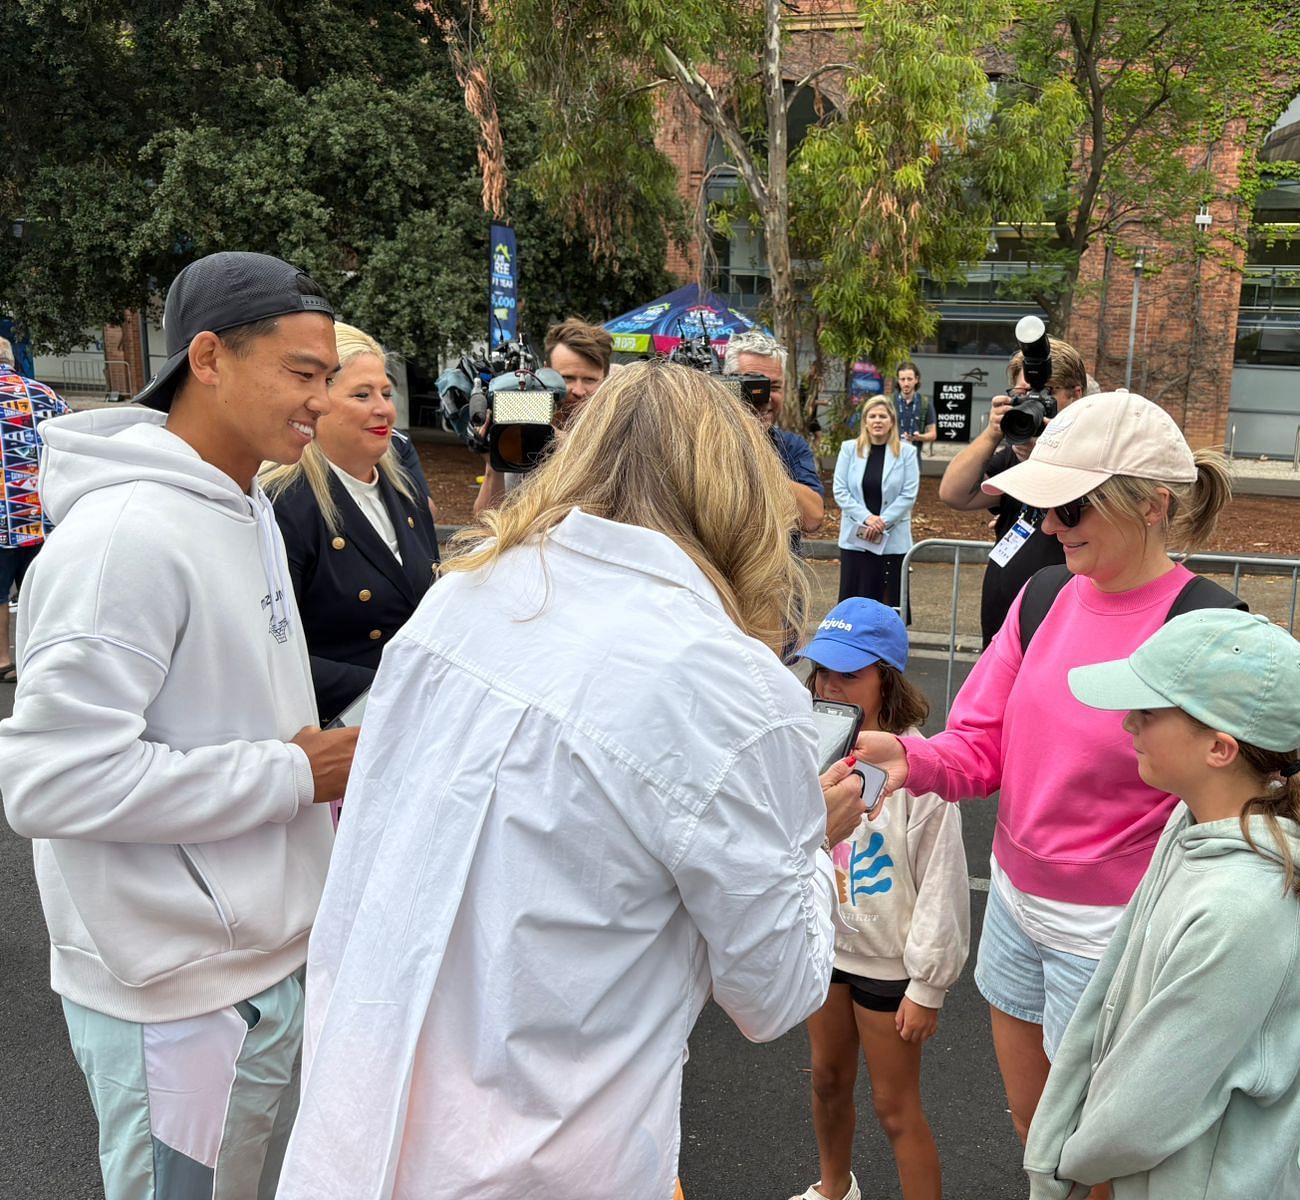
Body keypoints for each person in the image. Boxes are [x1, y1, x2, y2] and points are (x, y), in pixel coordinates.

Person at [276, 361, 873, 1200]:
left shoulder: (462, 595)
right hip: (548, 1156)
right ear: (740, 495)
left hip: (359, 1120)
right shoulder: (726, 685)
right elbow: (773, 990)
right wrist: (808, 841)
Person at [0, 251, 357, 1199]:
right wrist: (294, 773)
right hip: (174, 995)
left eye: (326, 377)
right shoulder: (125, 538)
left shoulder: (243, 504)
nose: (319, 401)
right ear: (208, 357)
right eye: (302, 373)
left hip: (251, 968)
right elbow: (50, 782)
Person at [854, 389, 1233, 1145]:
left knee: (1093, 1145)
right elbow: (979, 747)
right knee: (1034, 1129)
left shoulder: (1208, 627)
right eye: (1043, 508)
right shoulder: (1044, 594)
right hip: (1015, 903)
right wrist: (910, 758)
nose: (1050, 526)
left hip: (1116, 927)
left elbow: (1231, 808)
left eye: (1072, 509)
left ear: (1153, 506)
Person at [1023, 609, 1300, 1199]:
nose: (1128, 722)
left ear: (1219, 747)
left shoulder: (1243, 909)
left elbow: (1147, 1103)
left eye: (1150, 711)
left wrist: (1066, 1160)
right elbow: (1113, 985)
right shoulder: (1192, 823)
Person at [790, 598, 970, 1200]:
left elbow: (944, 885)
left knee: (895, 1107)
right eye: (822, 671)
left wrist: (928, 986)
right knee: (825, 1080)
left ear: (886, 679)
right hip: (828, 947)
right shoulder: (811, 750)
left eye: (849, 674)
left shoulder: (921, 770)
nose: (828, 685)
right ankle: (834, 1188)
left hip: (890, 967)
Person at [261, 322, 440, 725]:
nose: (383, 409)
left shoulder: (405, 488)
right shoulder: (284, 503)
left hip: (413, 715)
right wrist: (389, 689)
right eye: (362, 395)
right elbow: (272, 651)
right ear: (318, 401)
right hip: (333, 731)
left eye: (386, 394)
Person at [937, 337, 1091, 647]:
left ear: (1076, 395)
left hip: (1059, 625)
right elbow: (954, 493)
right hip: (1002, 624)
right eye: (1022, 395)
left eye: (1045, 395)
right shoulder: (1012, 458)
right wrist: (993, 431)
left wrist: (1045, 455)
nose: (1032, 403)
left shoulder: (1092, 461)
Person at [472, 316, 610, 517]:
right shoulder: (526, 428)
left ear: (606, 379)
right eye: (567, 378)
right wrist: (494, 463)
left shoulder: (616, 434)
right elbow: (483, 523)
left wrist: (562, 442)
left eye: (589, 380)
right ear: (545, 372)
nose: (579, 390)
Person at [0, 335, 70, 682]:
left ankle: (1, 659)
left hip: (1, 517)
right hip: (42, 512)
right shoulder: (44, 393)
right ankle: (39, 658)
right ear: (11, 360)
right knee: (41, 589)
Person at [724, 329, 826, 538]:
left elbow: (812, 518)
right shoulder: (699, 443)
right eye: (754, 386)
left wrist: (756, 451)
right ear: (727, 386)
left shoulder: (791, 446)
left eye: (775, 387)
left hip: (779, 570)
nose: (766, 398)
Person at [833, 395, 921, 608]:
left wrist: (882, 522)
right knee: (854, 605)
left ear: (892, 420)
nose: (877, 420)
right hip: (856, 540)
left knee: (888, 604)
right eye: (872, 416)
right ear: (865, 421)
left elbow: (909, 494)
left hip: (891, 541)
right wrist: (867, 519)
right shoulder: (848, 449)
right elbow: (840, 490)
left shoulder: (907, 452)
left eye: (882, 416)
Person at [893, 361, 936, 457]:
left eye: (909, 379)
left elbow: (933, 434)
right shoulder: (889, 402)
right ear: (898, 380)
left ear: (916, 379)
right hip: (892, 456)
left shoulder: (925, 403)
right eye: (902, 379)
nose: (906, 383)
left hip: (914, 457)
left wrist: (919, 437)